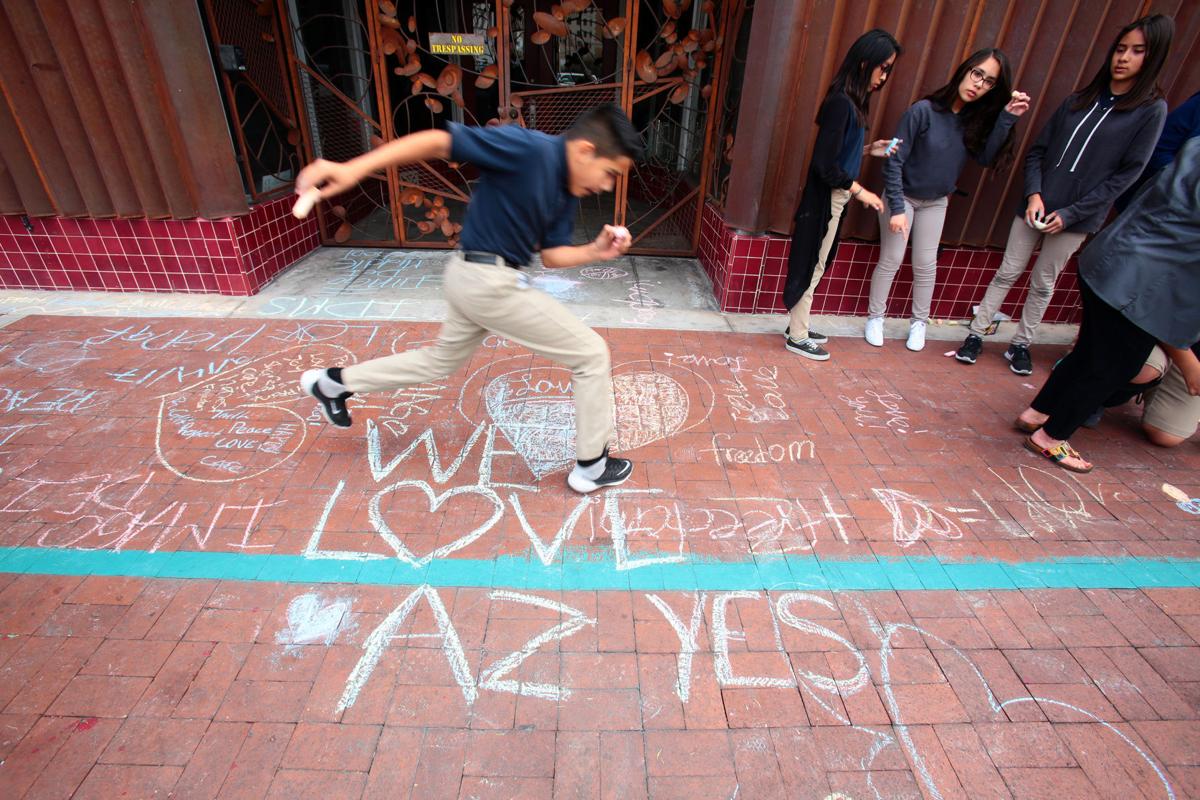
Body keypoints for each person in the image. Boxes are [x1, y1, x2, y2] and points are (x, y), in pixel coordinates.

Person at [293, 105, 644, 494]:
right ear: (584, 151)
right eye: (610, 173)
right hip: (485, 281)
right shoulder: (528, 149)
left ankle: (333, 384)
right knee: (591, 354)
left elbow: (553, 255)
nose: (608, 186)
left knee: (440, 361)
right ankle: (592, 467)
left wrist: (595, 250)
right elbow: (441, 142)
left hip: (473, 278)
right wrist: (354, 168)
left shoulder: (565, 191)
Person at [955, 14, 1173, 375]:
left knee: (1044, 281)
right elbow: (1037, 151)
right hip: (1035, 206)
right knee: (1007, 271)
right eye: (1120, 49)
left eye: (1137, 51)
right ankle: (976, 334)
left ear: (1153, 57)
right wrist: (1035, 194)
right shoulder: (1078, 100)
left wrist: (1072, 214)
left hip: (1077, 218)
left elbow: (1127, 175)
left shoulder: (1150, 110)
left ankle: (1021, 344)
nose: (1124, 58)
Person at [1012, 134, 1200, 473]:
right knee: (1114, 365)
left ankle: (1037, 412)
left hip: (1112, 258)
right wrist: (1187, 358)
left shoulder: (1196, 146)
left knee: (1090, 351)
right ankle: (1051, 437)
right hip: (1142, 282)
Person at [865, 48, 1029, 351]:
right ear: (964, 71)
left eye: (989, 81)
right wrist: (897, 209)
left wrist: (1007, 118)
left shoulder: (972, 121)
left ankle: (919, 323)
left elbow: (985, 157)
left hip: (936, 201)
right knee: (892, 258)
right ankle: (876, 317)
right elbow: (894, 161)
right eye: (977, 73)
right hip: (902, 196)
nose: (979, 84)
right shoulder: (923, 111)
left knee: (926, 264)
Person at [782, 28, 901, 361]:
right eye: (884, 67)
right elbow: (824, 164)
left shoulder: (852, 103)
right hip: (827, 198)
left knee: (818, 262)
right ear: (865, 63)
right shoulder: (840, 103)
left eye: (889, 69)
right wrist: (862, 191)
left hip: (837, 195)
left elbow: (837, 156)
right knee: (813, 265)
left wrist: (867, 150)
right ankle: (797, 334)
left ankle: (798, 325)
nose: (885, 75)